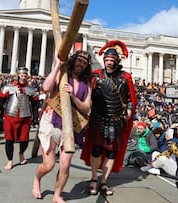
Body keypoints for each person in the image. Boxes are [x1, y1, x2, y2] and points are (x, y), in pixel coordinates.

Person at [31, 50, 92, 202]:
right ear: (74, 60)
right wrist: (58, 65)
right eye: (79, 60)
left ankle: (57, 195)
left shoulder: (87, 84)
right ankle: (37, 179)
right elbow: (46, 87)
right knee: (49, 165)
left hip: (71, 127)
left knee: (65, 166)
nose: (81, 64)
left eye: (85, 63)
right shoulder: (62, 74)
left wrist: (73, 95)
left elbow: (85, 108)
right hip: (51, 122)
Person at [80, 40, 137, 196]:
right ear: (103, 61)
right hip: (98, 119)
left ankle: (104, 181)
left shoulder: (126, 77)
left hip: (117, 121)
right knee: (97, 150)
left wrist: (130, 110)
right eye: (106, 60)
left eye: (112, 60)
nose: (109, 62)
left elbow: (131, 99)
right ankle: (93, 179)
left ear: (117, 60)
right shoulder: (96, 76)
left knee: (112, 153)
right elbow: (87, 96)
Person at [0, 67, 38, 170]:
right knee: (9, 139)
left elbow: (35, 103)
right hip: (10, 116)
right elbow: (1, 100)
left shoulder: (30, 89)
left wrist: (35, 116)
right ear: (18, 76)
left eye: (25, 76)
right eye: (21, 75)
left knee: (24, 139)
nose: (23, 78)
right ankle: (10, 160)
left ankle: (21, 153)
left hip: (25, 116)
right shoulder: (9, 87)